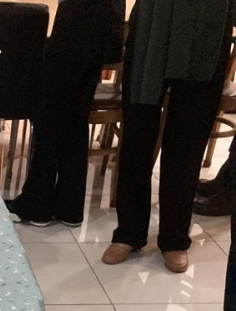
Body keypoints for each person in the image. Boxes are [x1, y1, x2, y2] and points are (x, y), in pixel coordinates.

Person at [101, 0, 235, 273]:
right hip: (153, 23)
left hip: (208, 26)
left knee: (188, 142)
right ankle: (128, 232)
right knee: (137, 134)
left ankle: (175, 238)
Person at [5, 0, 125, 228]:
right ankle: (69, 206)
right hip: (104, 21)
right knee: (76, 119)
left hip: (76, 21)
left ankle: (37, 205)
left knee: (50, 116)